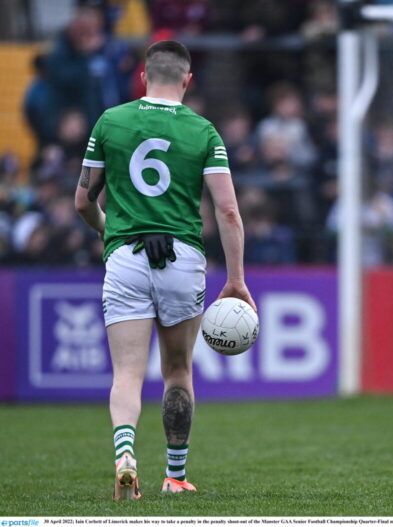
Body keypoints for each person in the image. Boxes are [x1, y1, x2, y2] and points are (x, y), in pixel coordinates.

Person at [74, 40, 256, 499]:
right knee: (177, 371)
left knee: (127, 373)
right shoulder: (204, 132)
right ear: (187, 81)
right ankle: (175, 477)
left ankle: (125, 455)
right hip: (182, 259)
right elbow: (229, 212)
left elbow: (82, 200)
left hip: (126, 257)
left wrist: (107, 231)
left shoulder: (110, 122)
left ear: (143, 76)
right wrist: (235, 280)